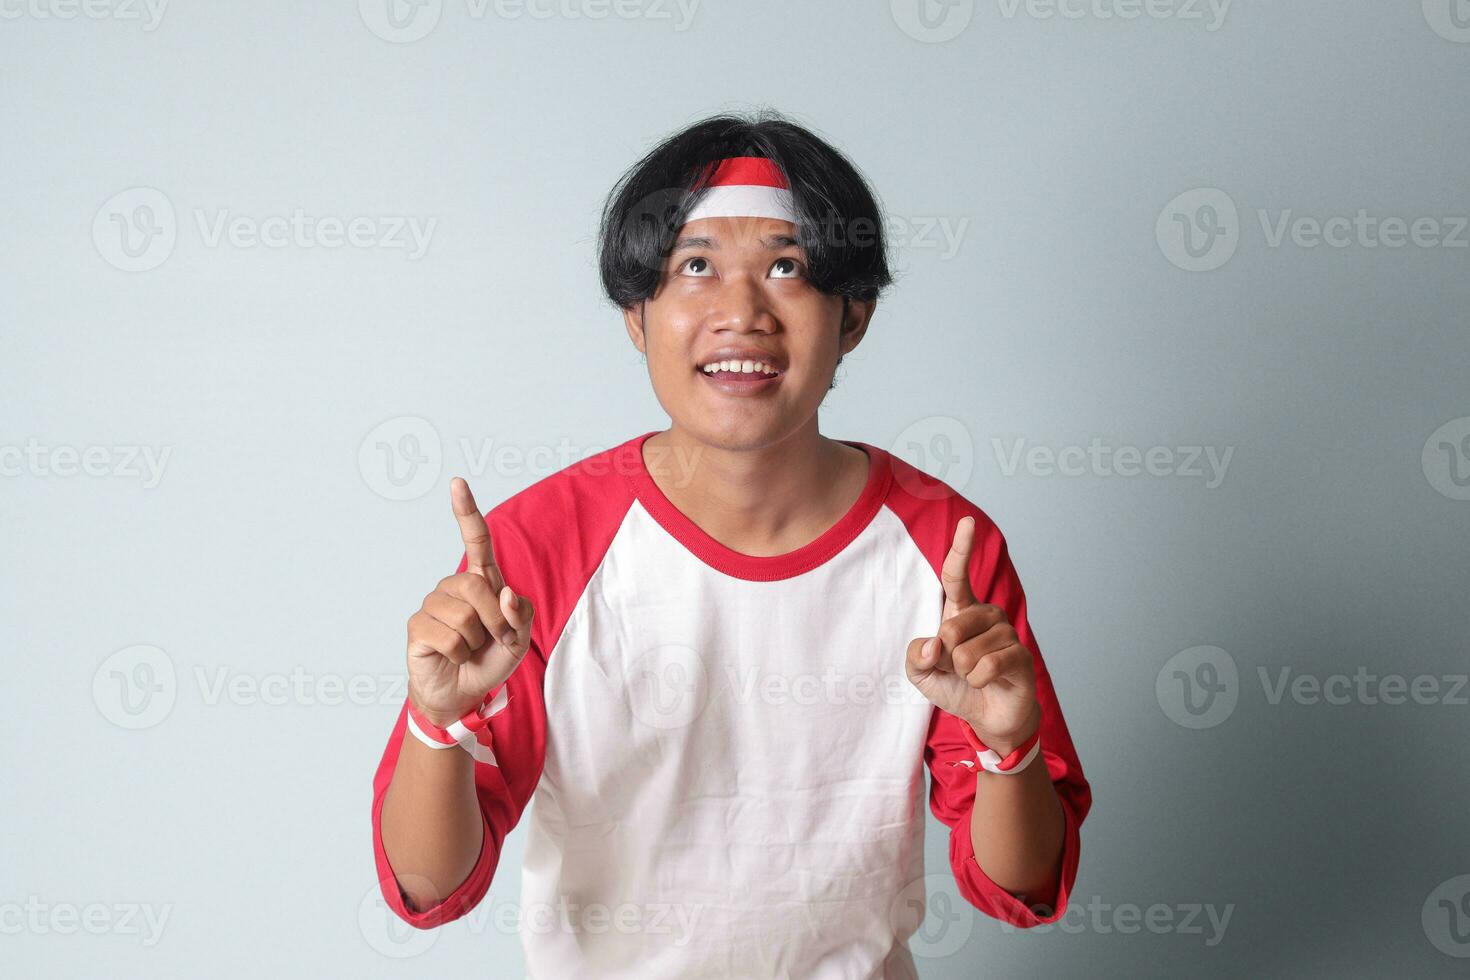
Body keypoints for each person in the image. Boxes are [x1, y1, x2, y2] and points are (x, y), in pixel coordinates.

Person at [370, 109, 1092, 979]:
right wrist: (437, 720)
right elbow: (426, 883)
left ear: (852, 316)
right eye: (695, 267)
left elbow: (1020, 886)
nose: (741, 311)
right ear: (638, 316)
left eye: (787, 267)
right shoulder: (541, 544)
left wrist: (1010, 749)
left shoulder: (943, 548)